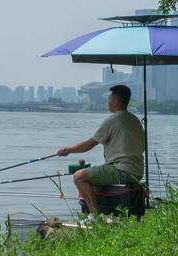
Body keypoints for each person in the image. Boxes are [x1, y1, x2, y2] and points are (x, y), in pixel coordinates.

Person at [56, 85, 145, 215]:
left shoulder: (114, 119)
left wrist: (67, 150)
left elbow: (89, 145)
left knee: (79, 177)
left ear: (116, 101)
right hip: (137, 171)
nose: (107, 102)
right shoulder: (134, 120)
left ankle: (95, 217)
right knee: (93, 173)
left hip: (122, 171)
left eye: (109, 99)